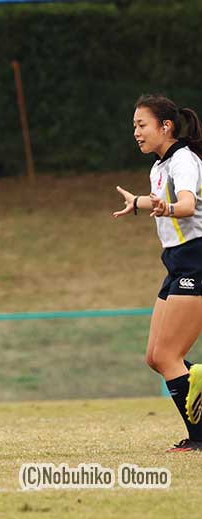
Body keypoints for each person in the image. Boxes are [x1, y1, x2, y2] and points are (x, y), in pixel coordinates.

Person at [113, 94, 202, 451]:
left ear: (166, 126)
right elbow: (165, 202)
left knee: (169, 356)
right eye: (134, 126)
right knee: (156, 357)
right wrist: (139, 202)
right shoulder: (159, 165)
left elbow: (187, 205)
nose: (136, 132)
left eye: (141, 125)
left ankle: (199, 439)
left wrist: (166, 207)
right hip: (177, 262)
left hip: (196, 259)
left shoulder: (183, 160)